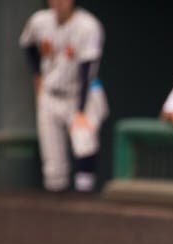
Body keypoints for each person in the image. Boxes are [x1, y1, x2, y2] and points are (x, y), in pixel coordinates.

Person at [20, 0, 108, 193]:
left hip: (81, 93)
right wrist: (38, 79)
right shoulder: (39, 21)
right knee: (53, 166)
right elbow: (28, 45)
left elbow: (87, 71)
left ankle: (84, 201)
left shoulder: (88, 25)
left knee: (85, 145)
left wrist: (80, 111)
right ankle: (57, 209)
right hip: (50, 94)